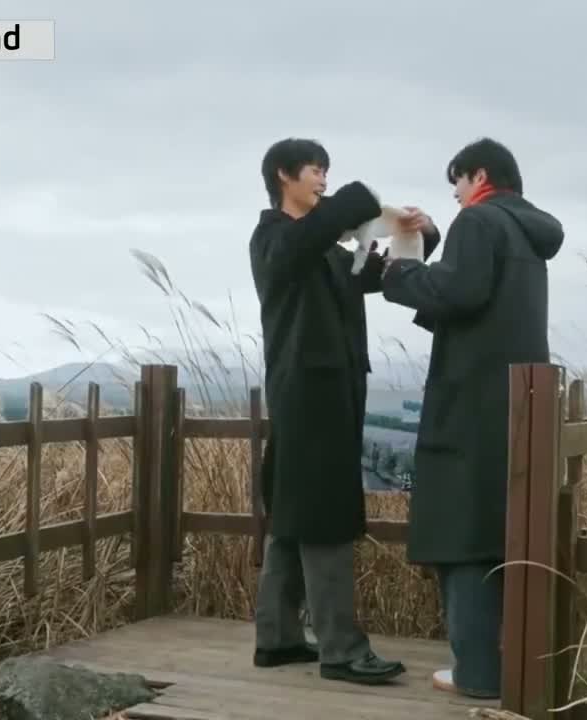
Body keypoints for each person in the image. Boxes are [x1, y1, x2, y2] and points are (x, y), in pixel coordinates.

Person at [248, 137, 440, 686]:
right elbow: (310, 237)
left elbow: (381, 274)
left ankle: (278, 638)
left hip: (332, 391)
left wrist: (421, 233)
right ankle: (342, 650)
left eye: (327, 170)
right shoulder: (273, 238)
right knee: (325, 512)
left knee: (293, 511)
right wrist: (360, 200)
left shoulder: (330, 250)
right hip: (307, 391)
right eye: (314, 169)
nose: (323, 178)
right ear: (283, 175)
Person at [380, 137, 564, 699]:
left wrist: (398, 269)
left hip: (469, 404)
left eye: (456, 182)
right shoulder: (525, 232)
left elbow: (459, 291)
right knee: (503, 533)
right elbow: (479, 298)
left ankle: (477, 674)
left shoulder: (479, 222)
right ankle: (509, 668)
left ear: (479, 176)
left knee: (462, 535)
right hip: (516, 405)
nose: (456, 195)